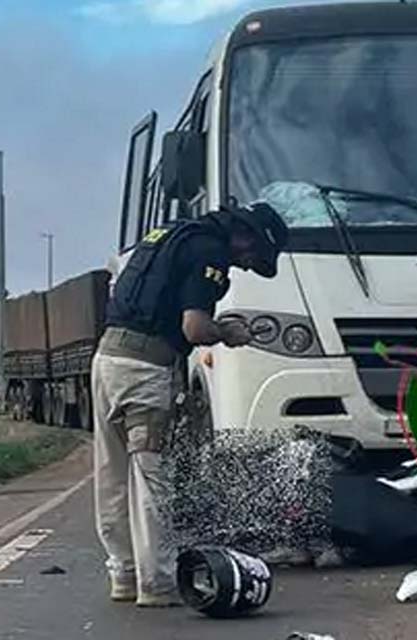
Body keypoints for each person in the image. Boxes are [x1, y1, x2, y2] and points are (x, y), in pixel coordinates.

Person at [93, 202, 289, 607]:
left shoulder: (167, 234)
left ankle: (123, 575)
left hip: (106, 360)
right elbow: (194, 327)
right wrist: (227, 333)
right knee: (151, 478)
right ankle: (156, 583)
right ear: (246, 236)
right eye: (252, 258)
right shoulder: (210, 253)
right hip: (146, 370)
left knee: (111, 474)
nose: (245, 266)